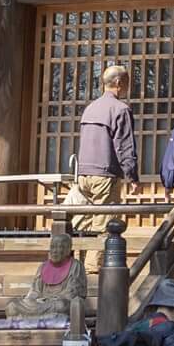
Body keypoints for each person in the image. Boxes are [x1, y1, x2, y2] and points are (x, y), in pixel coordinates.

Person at [71, 63, 138, 232]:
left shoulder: (90, 108)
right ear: (118, 82)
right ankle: (93, 261)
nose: (128, 87)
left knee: (82, 228)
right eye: (127, 82)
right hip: (105, 176)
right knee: (104, 230)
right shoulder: (121, 109)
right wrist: (132, 177)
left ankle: (80, 259)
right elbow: (124, 146)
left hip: (83, 175)